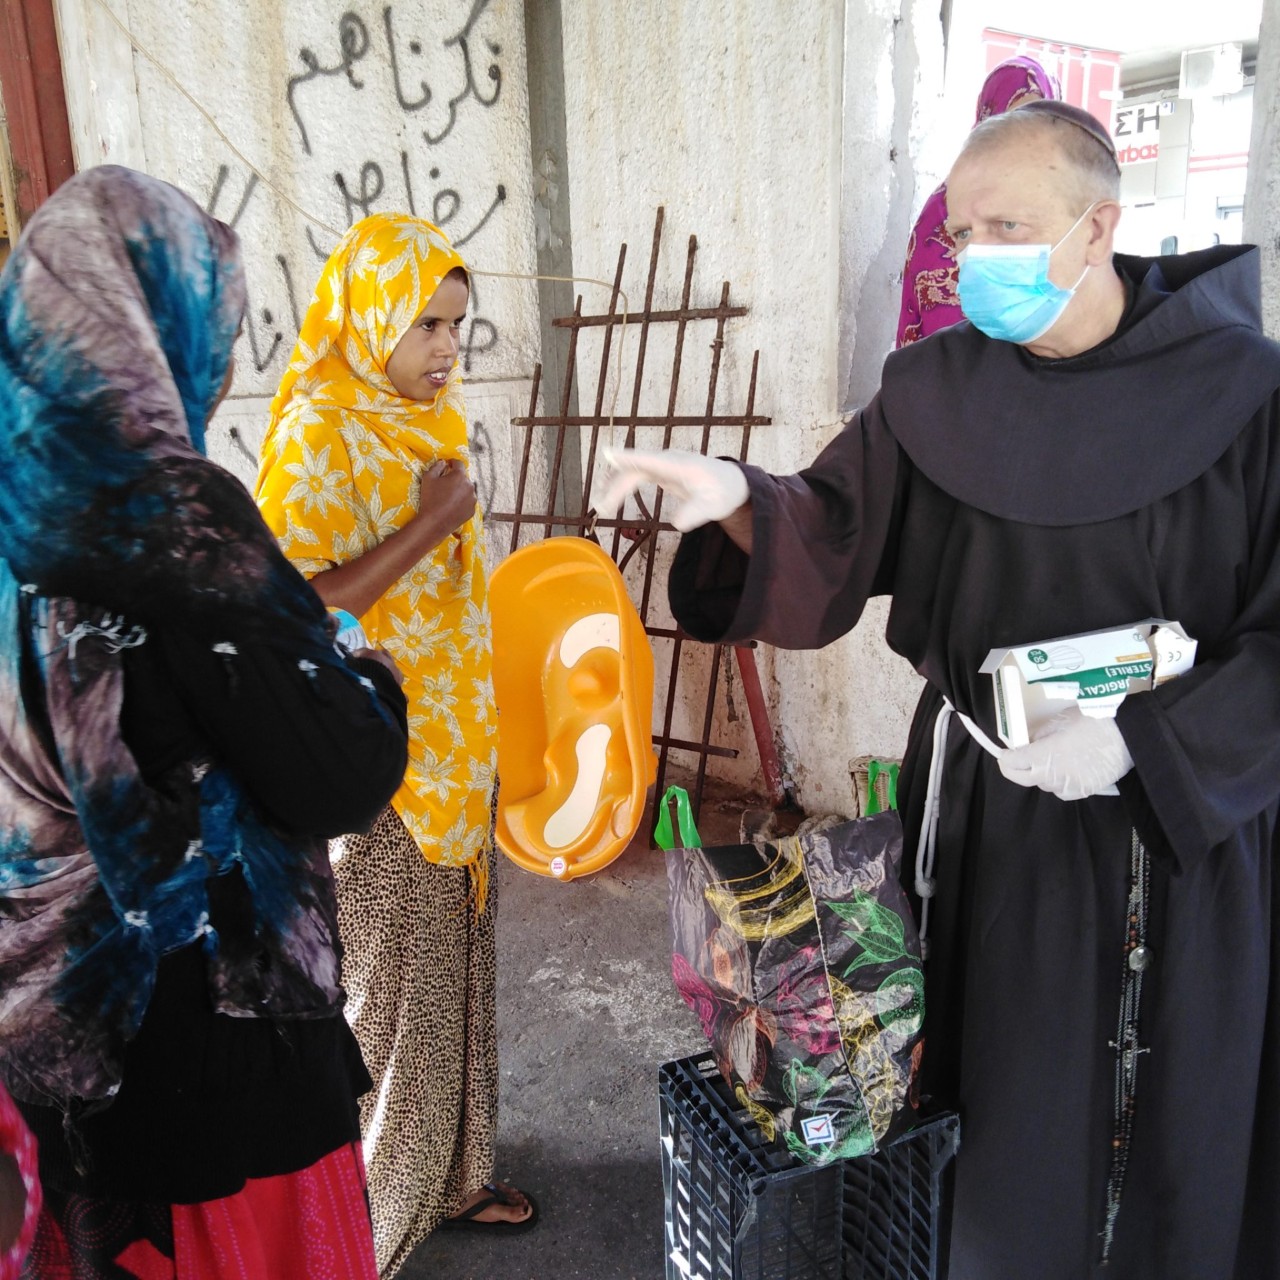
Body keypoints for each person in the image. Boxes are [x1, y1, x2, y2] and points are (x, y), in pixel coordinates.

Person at [599, 101, 1280, 1280]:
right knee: (997, 1125)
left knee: (1169, 1119)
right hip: (990, 823)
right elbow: (831, 522)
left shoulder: (1245, 394)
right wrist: (741, 500)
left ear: (1095, 227)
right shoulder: (934, 392)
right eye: (961, 232)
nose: (973, 257)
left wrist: (1144, 742)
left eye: (1005, 227)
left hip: (1181, 832)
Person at [0, 166, 411, 1278]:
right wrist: (368, 675)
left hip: (49, 1045)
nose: (223, 362)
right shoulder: (169, 515)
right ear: (152, 325)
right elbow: (337, 769)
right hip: (212, 1056)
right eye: (211, 323)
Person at [255, 213, 535, 1276]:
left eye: (456, 323)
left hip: (453, 751)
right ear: (370, 318)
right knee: (395, 1007)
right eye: (425, 324)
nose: (447, 346)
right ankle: (368, 1235)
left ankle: (456, 1175)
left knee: (459, 975)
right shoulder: (316, 436)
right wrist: (430, 524)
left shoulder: (422, 423)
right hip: (378, 771)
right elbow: (291, 611)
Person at [896, 56, 1059, 347]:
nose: (1030, 138)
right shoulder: (947, 209)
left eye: (1043, 122)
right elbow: (944, 341)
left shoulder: (1045, 205)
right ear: (990, 119)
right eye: (1017, 120)